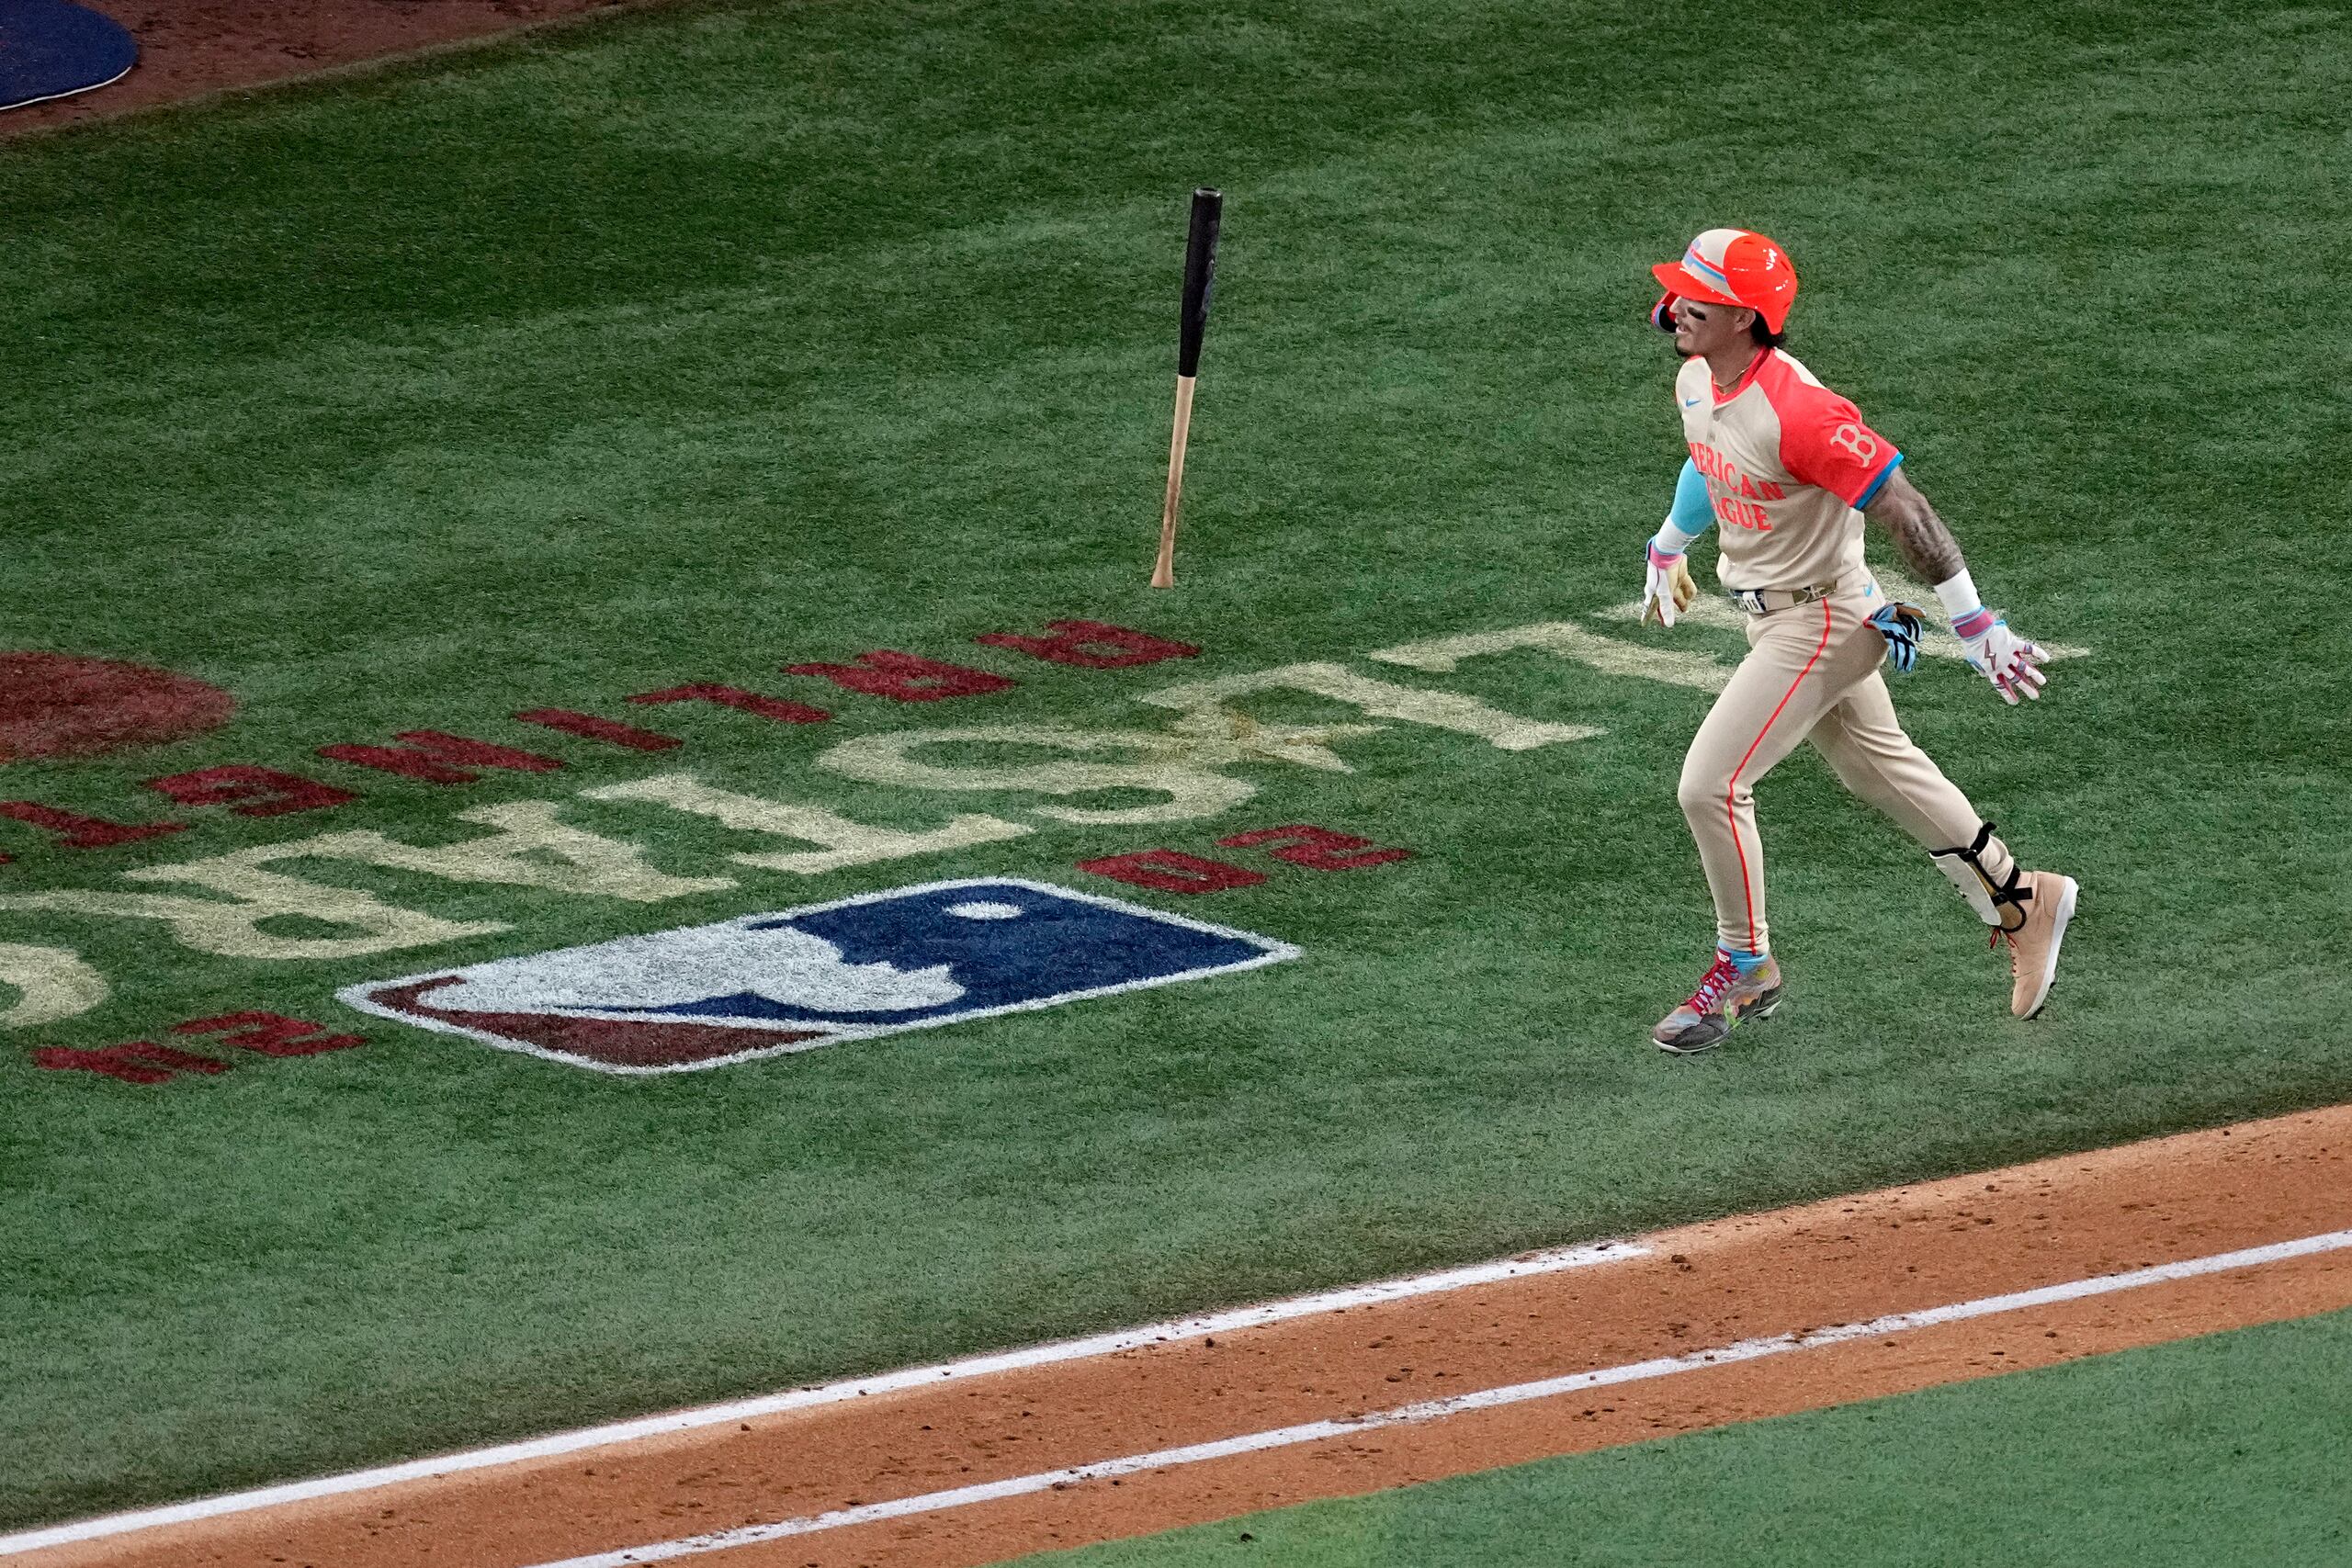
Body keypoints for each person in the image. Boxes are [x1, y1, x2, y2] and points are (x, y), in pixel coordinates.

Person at [1637, 228, 2077, 1055]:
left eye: (1700, 297)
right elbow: (1710, 456)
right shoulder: (1699, 371)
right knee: (1881, 769)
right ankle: (2024, 899)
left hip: (1823, 618)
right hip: (1775, 613)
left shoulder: (1803, 413)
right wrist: (1668, 543)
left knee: (1710, 785)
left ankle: (1746, 963)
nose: (1676, 306)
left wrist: (1974, 622)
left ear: (1746, 317)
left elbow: (1907, 509)